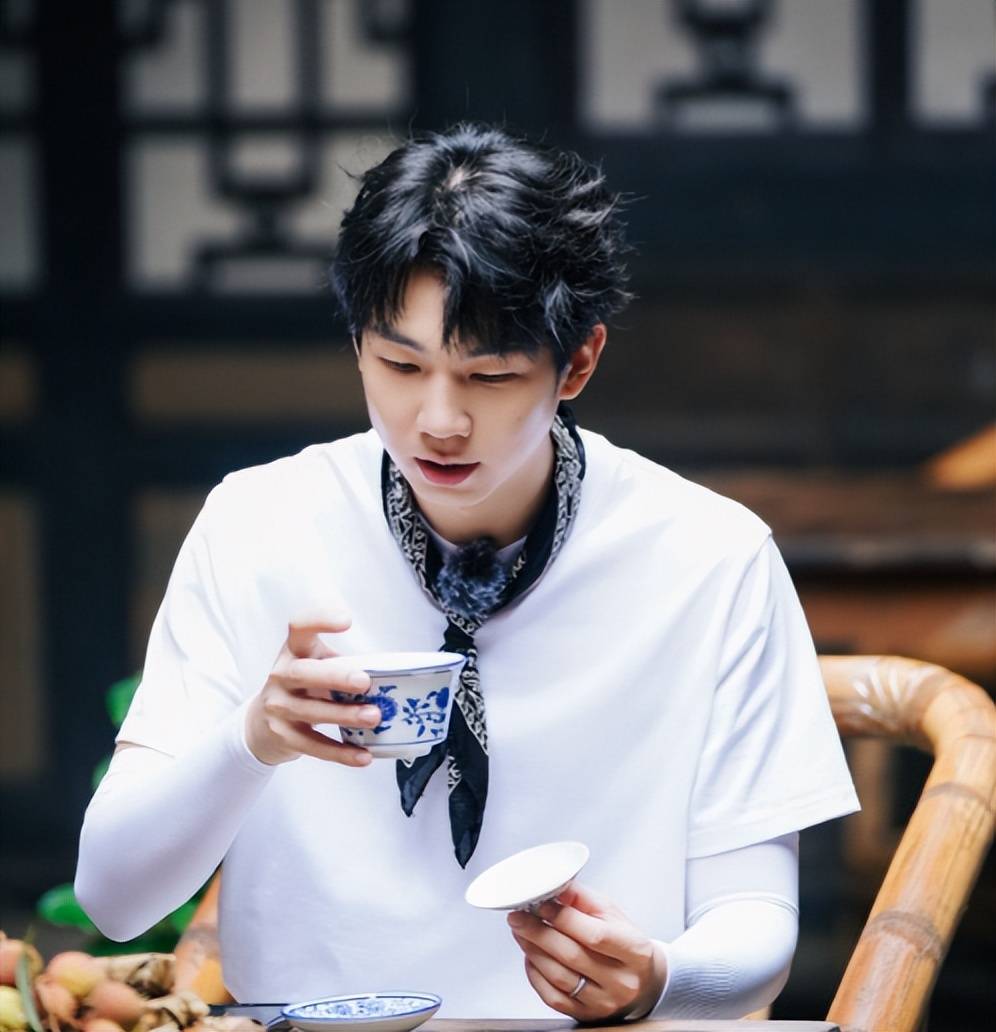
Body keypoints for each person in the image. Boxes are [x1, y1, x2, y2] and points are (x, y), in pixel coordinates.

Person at [75, 123, 859, 1020]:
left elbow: (755, 918)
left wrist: (658, 979)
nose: (437, 421)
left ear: (578, 363)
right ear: (356, 343)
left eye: (488, 377)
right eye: (400, 365)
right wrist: (253, 737)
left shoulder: (708, 558)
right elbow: (112, 897)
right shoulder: (258, 525)